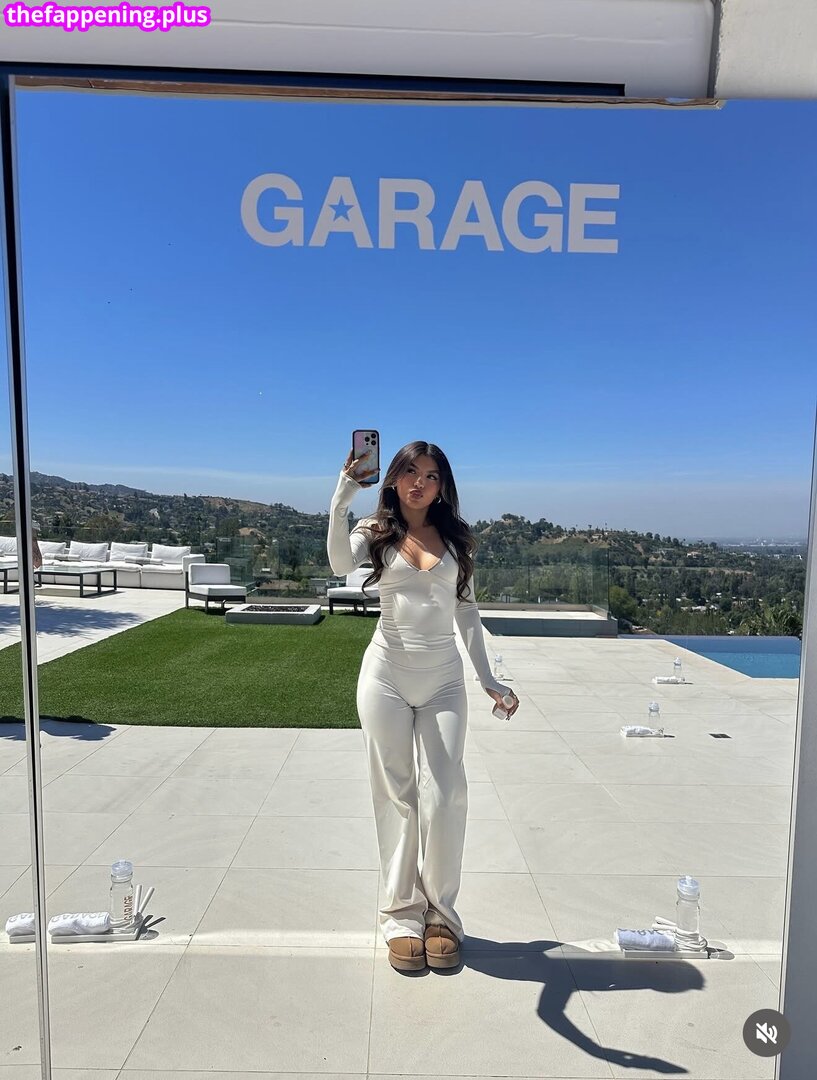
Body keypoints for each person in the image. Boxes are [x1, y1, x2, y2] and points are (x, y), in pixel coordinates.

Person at [327, 440, 518, 973]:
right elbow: (339, 564)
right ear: (392, 478)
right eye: (410, 471)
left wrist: (488, 679)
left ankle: (441, 914)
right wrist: (342, 496)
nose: (419, 483)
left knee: (447, 793)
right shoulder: (374, 531)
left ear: (442, 486)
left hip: (444, 681)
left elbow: (467, 613)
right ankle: (401, 915)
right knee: (397, 795)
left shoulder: (456, 537)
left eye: (431, 475)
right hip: (385, 675)